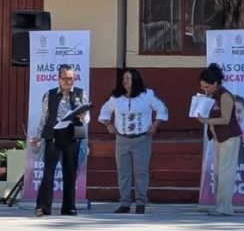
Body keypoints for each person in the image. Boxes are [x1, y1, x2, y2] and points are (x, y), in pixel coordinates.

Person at [98, 68, 169, 214]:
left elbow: (162, 109)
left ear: (135, 80)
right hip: (122, 139)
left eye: (128, 78)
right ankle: (124, 203)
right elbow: (104, 111)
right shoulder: (116, 97)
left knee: (141, 172)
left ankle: (140, 202)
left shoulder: (147, 95)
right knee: (123, 172)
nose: (125, 81)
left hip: (142, 138)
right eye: (123, 78)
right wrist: (108, 124)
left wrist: (155, 125)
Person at [29, 64, 90, 217]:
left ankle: (69, 207)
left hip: (72, 135)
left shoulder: (81, 94)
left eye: (71, 78)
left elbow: (87, 116)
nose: (69, 82)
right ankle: (42, 207)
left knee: (70, 173)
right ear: (59, 79)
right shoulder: (49, 95)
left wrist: (83, 119)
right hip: (54, 136)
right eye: (66, 79)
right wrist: (38, 136)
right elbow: (44, 118)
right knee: (48, 172)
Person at [197, 62, 241, 216]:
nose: (204, 90)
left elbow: (226, 119)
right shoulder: (212, 95)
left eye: (207, 87)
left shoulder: (224, 95)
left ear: (215, 83)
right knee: (216, 173)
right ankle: (220, 204)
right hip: (217, 139)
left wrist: (206, 121)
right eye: (202, 87)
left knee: (225, 173)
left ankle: (225, 207)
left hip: (229, 138)